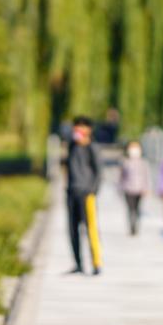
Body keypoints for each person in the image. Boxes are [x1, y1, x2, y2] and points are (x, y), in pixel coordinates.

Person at [64, 115, 103, 275]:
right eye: (76, 126)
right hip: (71, 192)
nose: (78, 130)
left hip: (86, 194)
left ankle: (96, 263)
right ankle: (78, 264)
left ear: (89, 130)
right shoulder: (72, 146)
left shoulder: (92, 147)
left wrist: (92, 191)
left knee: (90, 228)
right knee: (72, 230)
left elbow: (99, 171)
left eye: (82, 127)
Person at [119, 141, 151, 235]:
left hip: (140, 189)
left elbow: (147, 176)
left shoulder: (143, 162)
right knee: (130, 208)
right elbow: (121, 176)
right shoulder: (125, 162)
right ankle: (132, 226)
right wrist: (120, 188)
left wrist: (147, 188)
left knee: (137, 208)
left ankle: (136, 224)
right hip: (128, 189)